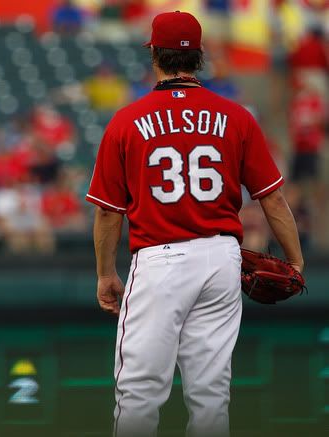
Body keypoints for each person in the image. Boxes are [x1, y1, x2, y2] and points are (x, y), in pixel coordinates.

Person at [86, 11, 304, 437]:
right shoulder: (236, 116)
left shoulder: (127, 120)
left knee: (139, 391)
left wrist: (105, 273)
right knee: (210, 396)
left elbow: (109, 210)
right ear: (200, 57)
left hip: (159, 261)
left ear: (154, 56)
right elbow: (272, 198)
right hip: (220, 258)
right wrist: (295, 259)